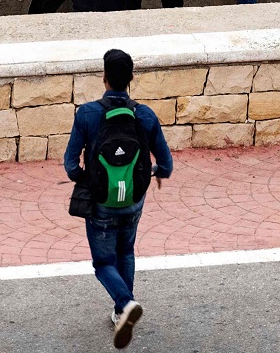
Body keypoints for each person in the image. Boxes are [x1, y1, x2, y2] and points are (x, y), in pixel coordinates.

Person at [63, 48, 173, 348]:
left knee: (102, 262)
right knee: (126, 251)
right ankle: (120, 312)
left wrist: (85, 179)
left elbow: (70, 164)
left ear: (104, 78)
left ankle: (125, 303)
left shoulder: (87, 113)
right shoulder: (145, 115)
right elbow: (166, 162)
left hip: (100, 202)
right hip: (134, 199)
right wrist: (158, 172)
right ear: (131, 79)